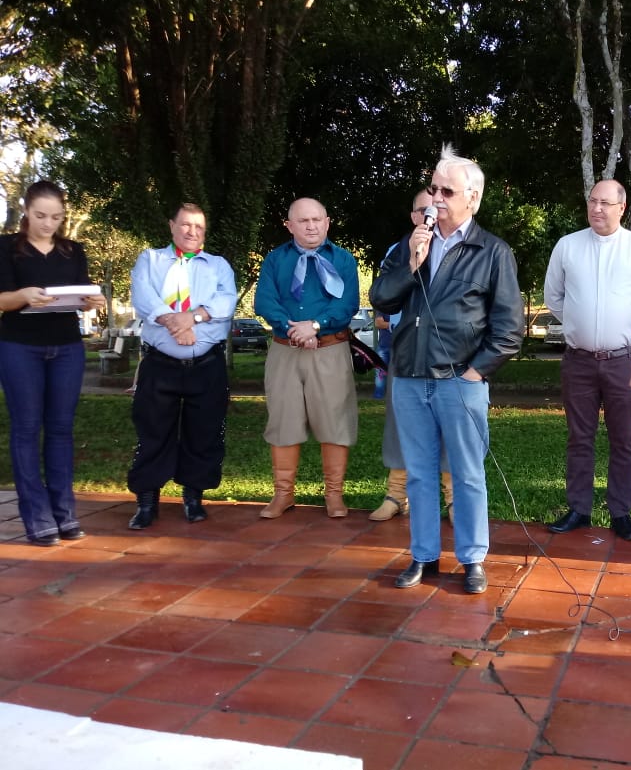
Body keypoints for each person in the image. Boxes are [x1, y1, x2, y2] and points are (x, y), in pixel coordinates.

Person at [370, 145, 524, 594]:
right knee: (417, 473)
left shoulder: (493, 252)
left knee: (467, 473)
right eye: (433, 188)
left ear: (472, 198)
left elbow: (509, 328)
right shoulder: (410, 244)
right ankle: (423, 556)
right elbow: (382, 300)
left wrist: (476, 373)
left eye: (447, 191)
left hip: (461, 382)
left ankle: (473, 559)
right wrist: (412, 262)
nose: (435, 198)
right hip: (410, 379)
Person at [543, 180, 631, 541]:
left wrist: (630, 329)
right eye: (592, 201)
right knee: (579, 438)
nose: (597, 208)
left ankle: (621, 512)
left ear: (622, 207)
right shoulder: (568, 246)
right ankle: (579, 509)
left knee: (624, 440)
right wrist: (578, 324)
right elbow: (554, 296)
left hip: (623, 361)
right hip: (579, 361)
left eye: (605, 203)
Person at [0, 180, 107, 546]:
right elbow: (1, 300)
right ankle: (38, 519)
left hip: (66, 348)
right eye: (41, 215)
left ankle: (65, 514)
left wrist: (91, 301)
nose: (48, 224)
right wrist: (22, 296)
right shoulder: (5, 248)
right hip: (19, 347)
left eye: (56, 217)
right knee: (27, 429)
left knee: (61, 430)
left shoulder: (73, 251)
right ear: (26, 210)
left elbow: (81, 293)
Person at [126, 203, 237, 529]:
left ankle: (193, 497)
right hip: (160, 365)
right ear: (172, 225)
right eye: (186, 225)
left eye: (199, 227)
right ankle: (147, 501)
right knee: (152, 432)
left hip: (206, 366)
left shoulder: (218, 266)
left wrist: (193, 316)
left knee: (204, 432)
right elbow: (144, 297)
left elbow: (225, 302)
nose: (192, 232)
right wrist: (174, 321)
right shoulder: (151, 259)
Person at [254, 197, 360, 520]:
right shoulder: (274, 260)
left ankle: (334, 495)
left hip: (329, 349)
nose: (311, 225)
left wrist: (315, 326)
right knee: (283, 420)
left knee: (335, 422)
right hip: (285, 350)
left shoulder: (343, 260)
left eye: (317, 219)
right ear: (290, 226)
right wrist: (293, 330)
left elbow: (348, 304)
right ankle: (283, 494)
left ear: (327, 222)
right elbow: (264, 301)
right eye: (303, 221)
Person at [370, 191, 453, 524]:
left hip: (447, 357)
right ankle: (395, 494)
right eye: (424, 210)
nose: (431, 216)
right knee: (399, 426)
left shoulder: (458, 247)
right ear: (413, 216)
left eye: (437, 209)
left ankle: (453, 498)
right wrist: (411, 262)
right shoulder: (397, 250)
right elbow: (382, 301)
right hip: (405, 353)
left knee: (450, 427)